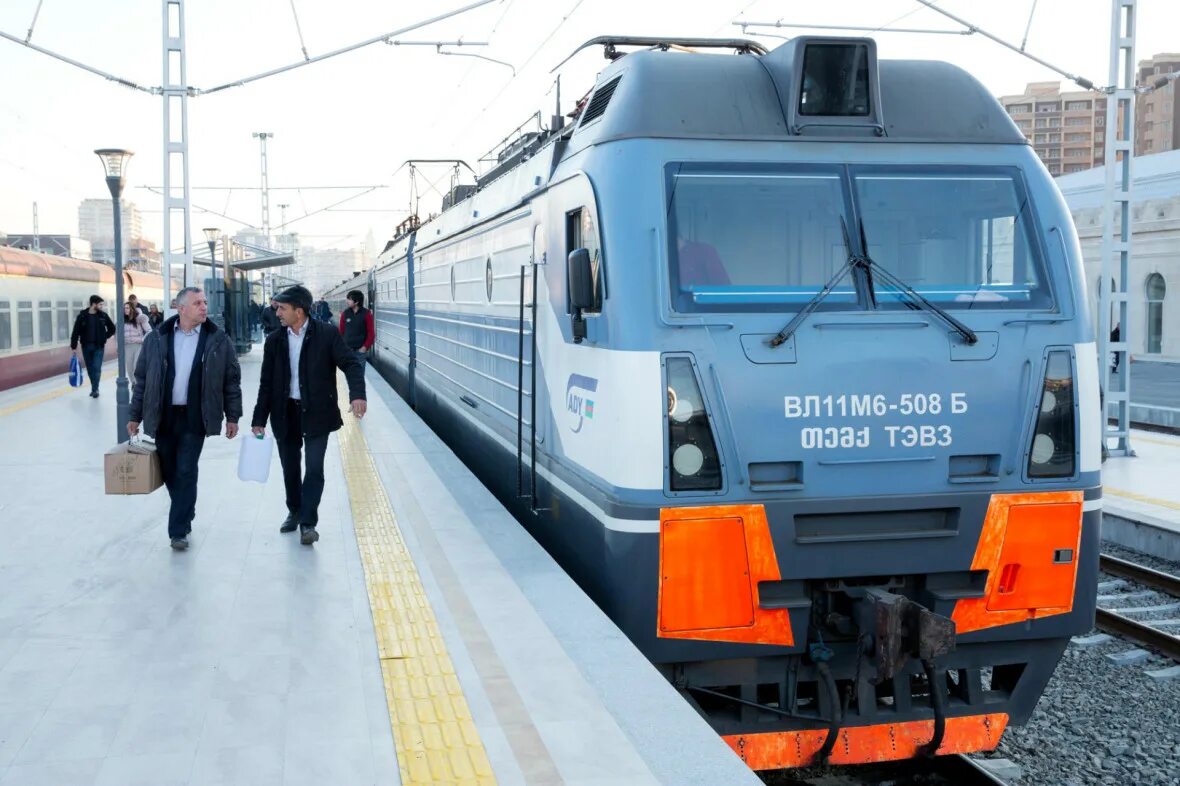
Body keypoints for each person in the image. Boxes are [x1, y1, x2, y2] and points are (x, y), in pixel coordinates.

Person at [128, 287, 242, 551]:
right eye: (197, 303)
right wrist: (134, 415)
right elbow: (142, 380)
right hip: (164, 416)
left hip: (195, 416)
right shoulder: (156, 338)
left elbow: (231, 381)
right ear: (181, 308)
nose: (204, 307)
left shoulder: (217, 339)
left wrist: (233, 416)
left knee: (186, 469)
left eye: (204, 302)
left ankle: (178, 531)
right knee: (169, 471)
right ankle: (186, 509)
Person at [251, 285, 365, 546]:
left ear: (299, 311)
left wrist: (358, 394)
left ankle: (308, 522)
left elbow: (350, 363)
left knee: (314, 468)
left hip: (317, 412)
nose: (277, 313)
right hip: (284, 412)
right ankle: (294, 511)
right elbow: (266, 383)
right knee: (290, 468)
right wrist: (259, 419)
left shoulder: (327, 334)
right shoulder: (275, 340)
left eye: (282, 308)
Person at [70, 295, 116, 398]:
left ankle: (95, 390)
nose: (101, 306)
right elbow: (75, 331)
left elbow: (112, 328)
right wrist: (73, 346)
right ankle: (94, 388)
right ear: (93, 304)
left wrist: (105, 336)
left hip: (99, 346)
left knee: (97, 368)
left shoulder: (103, 316)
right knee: (90, 369)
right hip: (86, 346)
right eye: (100, 304)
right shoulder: (82, 316)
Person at [338, 289, 375, 368]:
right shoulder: (345, 314)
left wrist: (364, 347)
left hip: (360, 352)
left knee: (359, 374)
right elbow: (340, 332)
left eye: (349, 299)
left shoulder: (366, 314)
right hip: (347, 351)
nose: (347, 301)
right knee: (349, 373)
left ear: (356, 302)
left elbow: (371, 333)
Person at [122, 301, 151, 376]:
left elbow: (149, 331)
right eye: (124, 308)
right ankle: (133, 382)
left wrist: (142, 340)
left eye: (127, 308)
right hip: (127, 346)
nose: (125, 310)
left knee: (136, 366)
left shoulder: (139, 318)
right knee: (129, 368)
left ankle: (137, 382)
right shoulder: (122, 320)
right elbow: (118, 335)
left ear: (132, 309)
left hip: (138, 345)